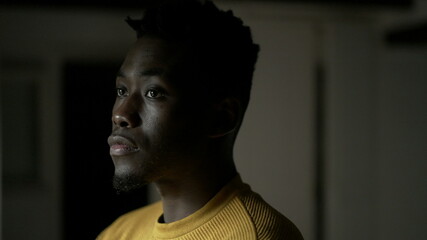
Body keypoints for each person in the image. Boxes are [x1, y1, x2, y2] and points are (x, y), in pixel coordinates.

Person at [97, 0, 303, 239]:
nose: (120, 114)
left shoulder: (256, 235)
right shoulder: (119, 232)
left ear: (221, 118)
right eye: (122, 90)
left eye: (153, 92)